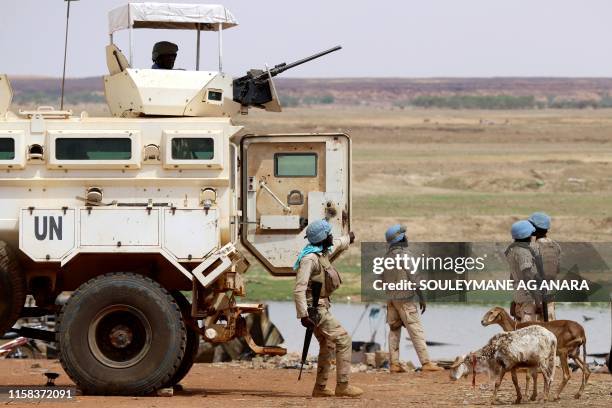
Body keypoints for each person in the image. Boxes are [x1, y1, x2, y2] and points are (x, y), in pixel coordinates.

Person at [293, 219, 363, 398]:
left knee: (328, 344)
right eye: (329, 234)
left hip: (320, 307)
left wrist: (348, 238)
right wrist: (303, 315)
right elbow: (299, 289)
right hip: (315, 310)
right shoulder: (310, 259)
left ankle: (320, 388)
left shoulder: (320, 254)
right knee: (344, 340)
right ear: (323, 238)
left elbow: (338, 244)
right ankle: (343, 386)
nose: (332, 236)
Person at [383, 224, 443, 373]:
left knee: (394, 329)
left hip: (391, 298)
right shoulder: (404, 255)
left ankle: (394, 364)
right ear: (401, 238)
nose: (407, 237)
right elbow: (414, 278)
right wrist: (421, 297)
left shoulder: (386, 257)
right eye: (405, 235)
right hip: (405, 298)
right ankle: (426, 363)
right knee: (415, 329)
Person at [506, 220, 542, 322]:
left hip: (518, 294)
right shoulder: (524, 253)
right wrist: (538, 301)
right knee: (528, 329)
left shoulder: (512, 251)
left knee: (519, 327)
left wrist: (514, 299)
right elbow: (527, 277)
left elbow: (512, 277)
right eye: (531, 234)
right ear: (528, 236)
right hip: (527, 296)